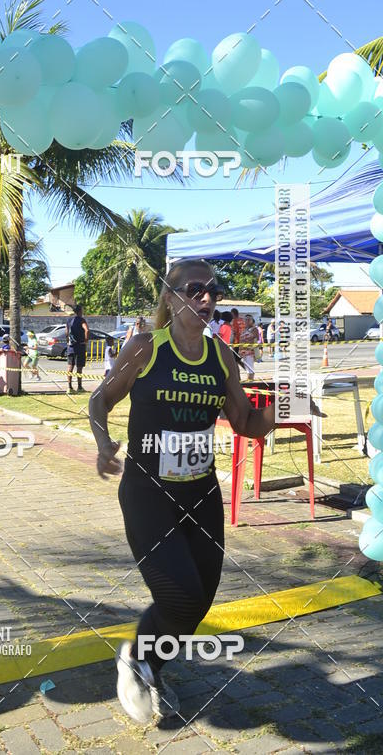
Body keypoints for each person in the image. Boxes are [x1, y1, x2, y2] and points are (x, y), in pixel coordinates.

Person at [88, 259, 279, 723]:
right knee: (180, 597)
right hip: (148, 492)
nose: (207, 299)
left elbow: (246, 424)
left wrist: (281, 407)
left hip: (201, 494)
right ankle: (133, 656)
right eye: (195, 290)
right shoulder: (144, 348)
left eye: (214, 291)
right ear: (170, 298)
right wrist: (102, 443)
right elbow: (100, 399)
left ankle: (149, 667)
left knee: (201, 598)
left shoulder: (222, 358)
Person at [66, 303, 88, 392]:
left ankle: (69, 387)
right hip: (80, 346)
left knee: (70, 367)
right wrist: (86, 340)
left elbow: (66, 332)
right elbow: (87, 330)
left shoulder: (69, 320)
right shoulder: (81, 320)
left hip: (71, 347)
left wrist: (68, 342)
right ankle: (79, 387)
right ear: (79, 311)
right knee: (79, 368)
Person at [238, 314, 259, 381]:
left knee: (250, 366)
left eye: (248, 320)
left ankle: (250, 379)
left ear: (252, 321)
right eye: (245, 320)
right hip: (243, 350)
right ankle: (249, 378)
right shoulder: (244, 329)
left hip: (250, 351)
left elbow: (254, 337)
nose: (246, 321)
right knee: (246, 366)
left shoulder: (254, 329)